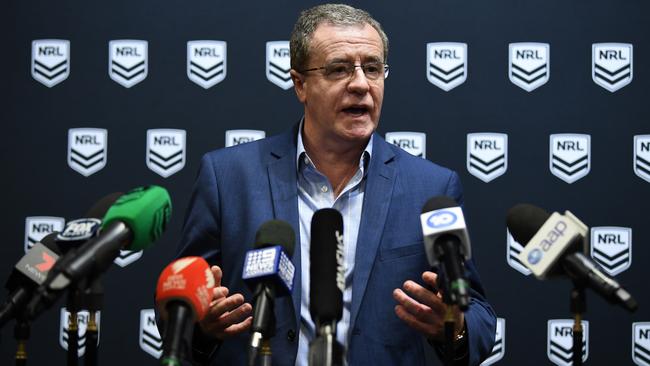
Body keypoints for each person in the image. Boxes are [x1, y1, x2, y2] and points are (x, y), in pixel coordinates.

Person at [176, 4, 496, 365]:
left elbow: (480, 318)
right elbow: (180, 311)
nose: (360, 84)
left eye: (372, 68)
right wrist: (202, 326)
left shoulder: (431, 187)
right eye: (339, 69)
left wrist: (452, 325)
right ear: (300, 84)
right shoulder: (227, 177)